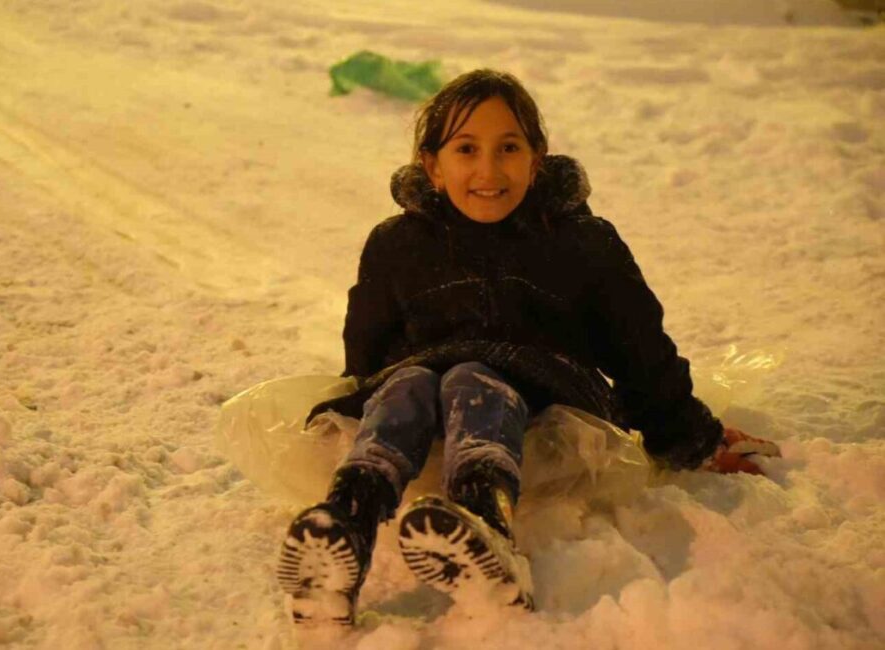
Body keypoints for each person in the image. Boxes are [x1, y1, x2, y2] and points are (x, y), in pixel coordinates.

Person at [275, 69, 780, 627]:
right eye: (466, 149)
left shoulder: (582, 243)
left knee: (471, 377)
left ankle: (484, 525)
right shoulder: (396, 245)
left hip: (548, 419)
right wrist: (364, 408)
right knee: (407, 382)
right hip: (431, 416)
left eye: (508, 148)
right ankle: (344, 525)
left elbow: (641, 350)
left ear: (537, 160)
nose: (488, 170)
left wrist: (693, 438)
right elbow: (366, 353)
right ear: (432, 166)